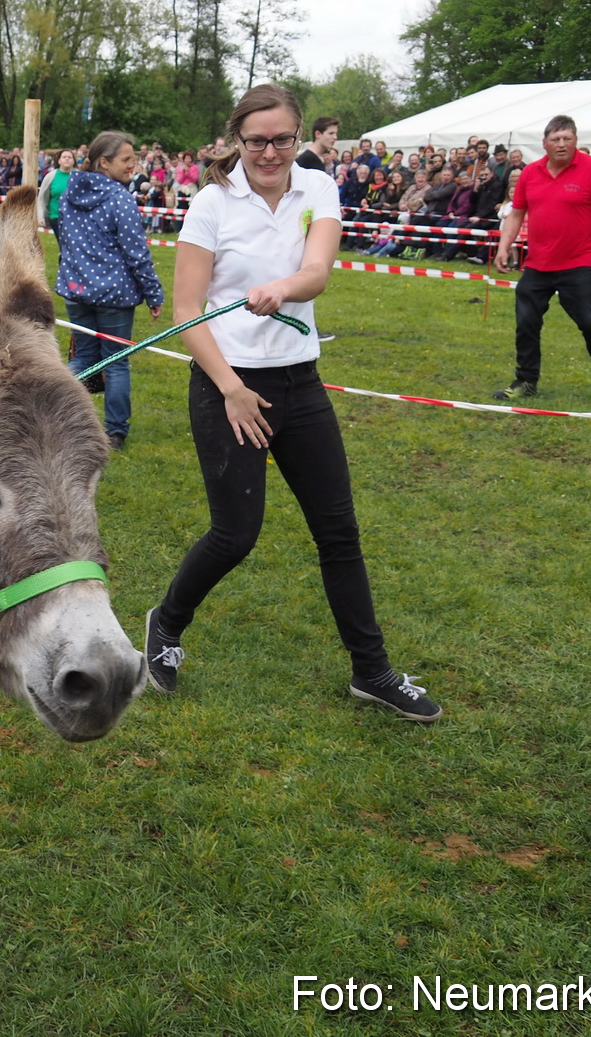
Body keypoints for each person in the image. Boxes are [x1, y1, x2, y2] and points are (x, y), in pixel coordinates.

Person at [140, 83, 439, 722]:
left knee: (338, 531)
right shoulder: (211, 205)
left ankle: (372, 671)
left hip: (299, 384)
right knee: (236, 533)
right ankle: (164, 626)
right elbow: (188, 313)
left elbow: (318, 272)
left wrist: (281, 287)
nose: (269, 152)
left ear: (297, 138)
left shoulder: (318, 188)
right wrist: (231, 389)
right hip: (227, 384)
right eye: (256, 141)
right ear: (236, 142)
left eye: (281, 139)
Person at [491, 115, 591, 402]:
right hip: (538, 264)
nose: (562, 144)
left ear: (576, 141)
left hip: (579, 263)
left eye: (567, 138)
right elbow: (516, 214)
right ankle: (525, 380)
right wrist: (504, 246)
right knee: (526, 322)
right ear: (544, 144)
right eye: (556, 139)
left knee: (590, 322)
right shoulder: (530, 173)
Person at [54, 130, 164, 451]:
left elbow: (67, 241)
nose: (134, 165)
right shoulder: (120, 199)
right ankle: (115, 432)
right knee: (115, 363)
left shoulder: (69, 194)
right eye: (126, 159)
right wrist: (154, 295)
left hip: (77, 289)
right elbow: (137, 253)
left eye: (134, 158)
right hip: (112, 296)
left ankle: (53, 412)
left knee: (84, 358)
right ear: (104, 163)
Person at [36, 148, 75, 239]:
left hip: (75, 217)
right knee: (64, 244)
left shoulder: (78, 176)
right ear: (59, 160)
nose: (67, 159)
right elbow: (42, 198)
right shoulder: (51, 176)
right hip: (56, 216)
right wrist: (41, 216)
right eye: (64, 157)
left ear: (73, 161)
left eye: (70, 157)